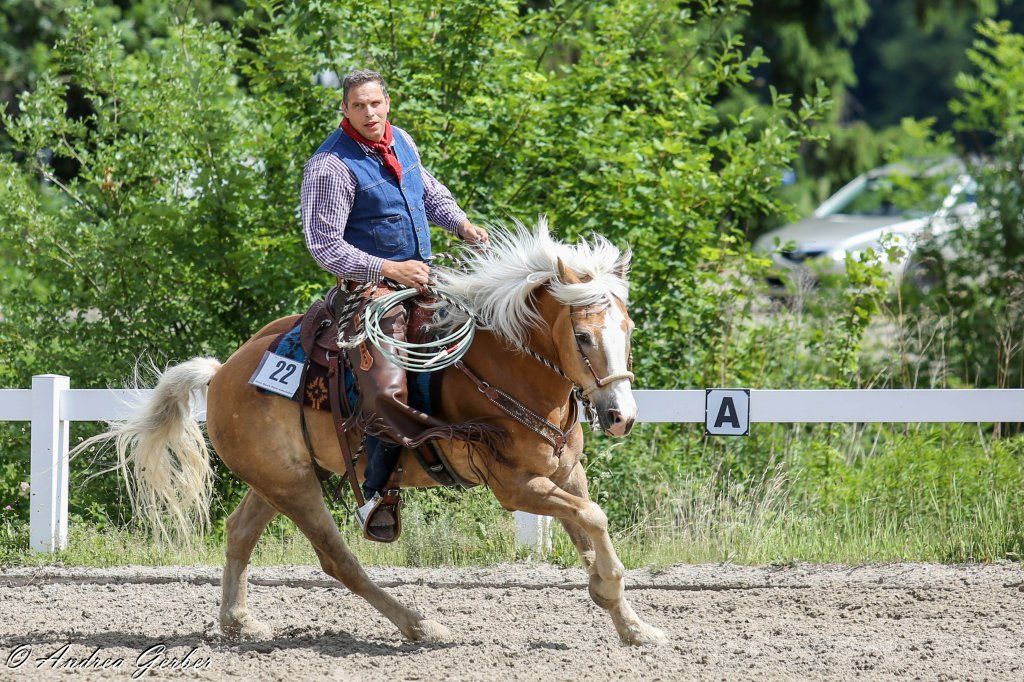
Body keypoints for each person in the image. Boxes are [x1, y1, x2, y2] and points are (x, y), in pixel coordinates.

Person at [300, 69, 487, 539]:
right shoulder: (330, 165)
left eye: (375, 104)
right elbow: (324, 246)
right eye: (358, 106)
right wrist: (389, 269)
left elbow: (427, 191)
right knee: (385, 387)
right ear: (344, 110)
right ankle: (377, 491)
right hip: (370, 289)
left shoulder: (400, 139)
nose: (369, 113)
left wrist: (461, 225)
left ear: (387, 104)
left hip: (424, 275)